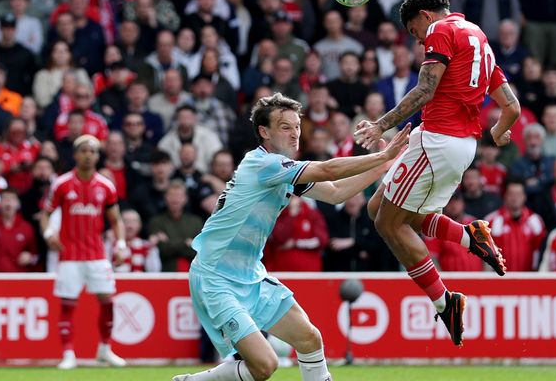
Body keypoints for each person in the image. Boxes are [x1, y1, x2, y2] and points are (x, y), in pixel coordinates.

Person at [172, 93, 409, 381]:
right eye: (285, 127)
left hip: (251, 274)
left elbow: (335, 193)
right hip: (215, 276)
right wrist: (382, 155)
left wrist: (381, 168)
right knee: (264, 366)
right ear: (264, 132)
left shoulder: (282, 172)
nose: (295, 133)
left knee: (309, 339)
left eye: (297, 126)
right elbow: (327, 169)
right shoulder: (263, 164)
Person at [354, 0, 520, 347]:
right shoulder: (479, 38)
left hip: (437, 141)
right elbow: (513, 107)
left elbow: (425, 90)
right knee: (378, 208)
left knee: (386, 222)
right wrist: (499, 131)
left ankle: (445, 301)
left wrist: (381, 125)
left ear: (425, 17)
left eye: (415, 32)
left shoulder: (441, 31)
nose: (419, 43)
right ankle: (469, 236)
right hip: (459, 146)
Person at [39, 135, 126, 370]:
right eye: (84, 151)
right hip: (69, 256)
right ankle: (68, 354)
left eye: (93, 151)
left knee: (107, 300)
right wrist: (49, 234)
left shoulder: (106, 186)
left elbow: (116, 220)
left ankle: (105, 349)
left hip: (97, 254)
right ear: (76, 154)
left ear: (98, 156)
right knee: (68, 304)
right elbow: (46, 214)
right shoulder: (62, 184)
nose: (89, 155)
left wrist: (120, 244)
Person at [484, 179, 546, 272]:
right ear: (505, 196)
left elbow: (540, 254)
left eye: (518, 194)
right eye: (511, 194)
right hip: (499, 281)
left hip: (528, 280)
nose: (514, 198)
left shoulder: (535, 221)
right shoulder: (490, 221)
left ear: (524, 196)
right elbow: (484, 255)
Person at [0, 189, 37, 272]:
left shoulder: (27, 228)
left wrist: (30, 258)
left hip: (18, 279)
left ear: (18, 204)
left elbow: (34, 255)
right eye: (5, 199)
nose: (8, 203)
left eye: (12, 199)